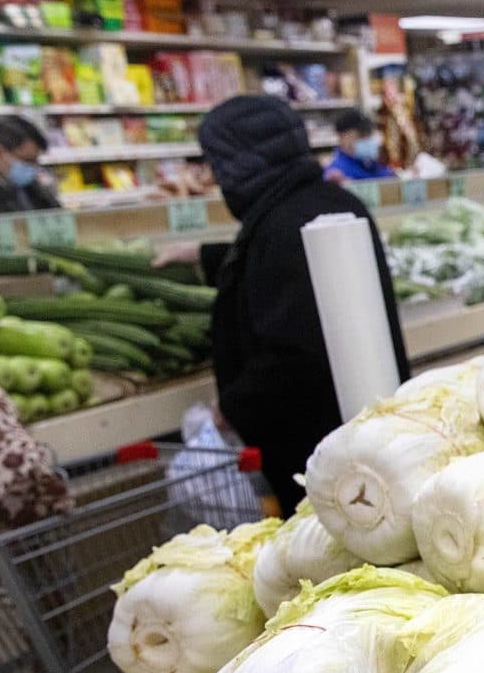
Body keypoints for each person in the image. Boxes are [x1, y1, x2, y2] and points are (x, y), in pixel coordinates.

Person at [157, 95, 409, 508]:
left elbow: (295, 351)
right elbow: (277, 270)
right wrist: (202, 255)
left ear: (238, 164)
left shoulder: (286, 224)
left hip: (323, 460)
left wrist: (233, 406)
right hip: (364, 442)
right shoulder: (327, 204)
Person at [324, 109, 396, 181]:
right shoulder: (336, 174)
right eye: (361, 135)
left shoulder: (374, 166)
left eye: (370, 134)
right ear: (342, 137)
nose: (367, 139)